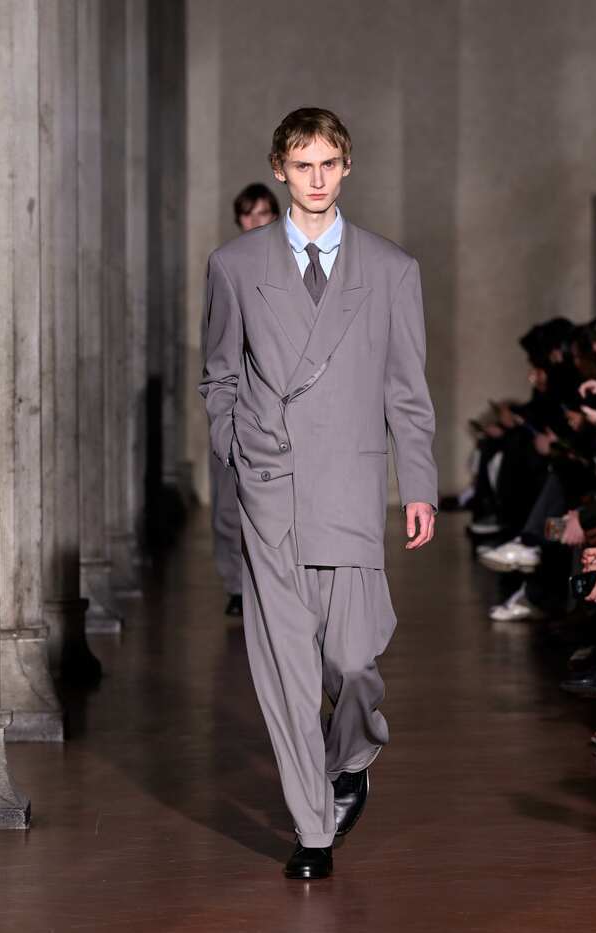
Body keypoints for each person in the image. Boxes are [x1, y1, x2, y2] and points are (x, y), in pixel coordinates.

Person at [200, 107, 437, 879]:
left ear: (345, 167)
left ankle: (354, 752)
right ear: (280, 170)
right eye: (302, 165)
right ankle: (312, 831)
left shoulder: (391, 269)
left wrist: (419, 484)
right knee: (288, 674)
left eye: (328, 163)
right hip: (271, 487)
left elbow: (407, 390)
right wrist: (235, 448)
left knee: (353, 660)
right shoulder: (234, 265)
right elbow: (218, 374)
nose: (315, 178)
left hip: (350, 487)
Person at [208, 183, 280, 616]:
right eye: (249, 214)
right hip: (236, 402)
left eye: (264, 213)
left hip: (276, 403)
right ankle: (236, 585)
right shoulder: (226, 266)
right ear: (239, 219)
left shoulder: (291, 265)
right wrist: (222, 415)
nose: (256, 221)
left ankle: (265, 587)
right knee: (227, 503)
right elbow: (217, 341)